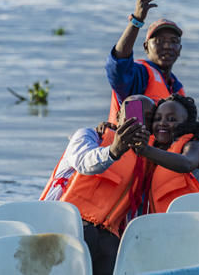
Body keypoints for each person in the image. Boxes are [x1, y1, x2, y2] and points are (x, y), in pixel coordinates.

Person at [39, 95, 155, 275]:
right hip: (66, 223)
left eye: (147, 119)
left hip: (107, 235)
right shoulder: (88, 136)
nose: (138, 123)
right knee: (89, 237)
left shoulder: (148, 156)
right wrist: (114, 150)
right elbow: (84, 162)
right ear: (118, 118)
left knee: (111, 248)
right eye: (132, 115)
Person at [106, 0, 185, 125]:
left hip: (158, 147)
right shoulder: (139, 75)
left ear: (179, 49)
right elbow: (118, 67)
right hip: (129, 146)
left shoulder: (177, 88)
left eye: (173, 41)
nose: (167, 46)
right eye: (159, 41)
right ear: (146, 47)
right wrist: (136, 21)